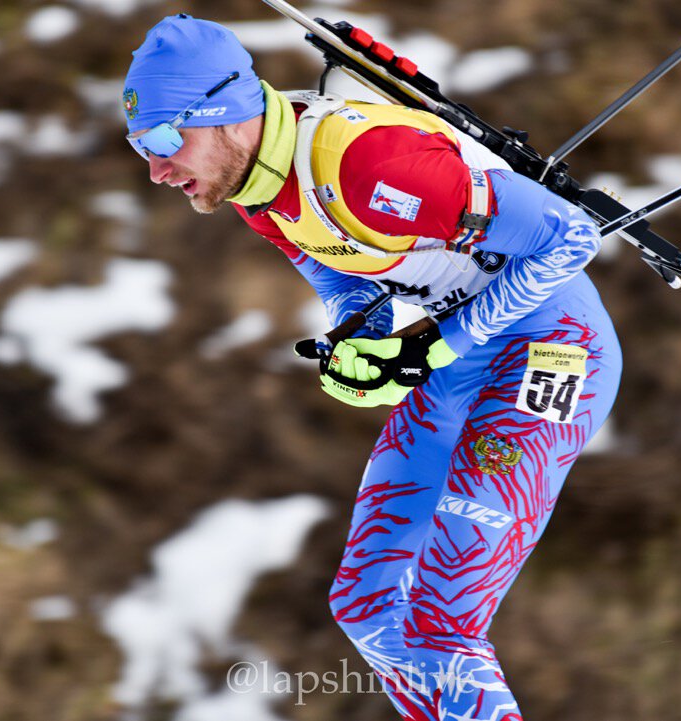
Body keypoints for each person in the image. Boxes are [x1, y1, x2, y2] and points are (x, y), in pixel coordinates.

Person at [123, 14, 622, 721]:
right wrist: (359, 332)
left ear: (229, 115)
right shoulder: (252, 182)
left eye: (168, 138)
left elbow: (572, 236)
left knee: (440, 623)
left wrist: (438, 343)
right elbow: (342, 274)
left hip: (553, 349)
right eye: (139, 144)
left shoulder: (370, 166)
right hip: (461, 363)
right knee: (367, 603)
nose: (156, 167)